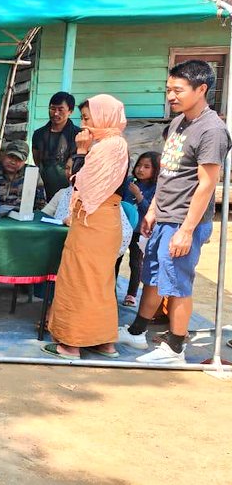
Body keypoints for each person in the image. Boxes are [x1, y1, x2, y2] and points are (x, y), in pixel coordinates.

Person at [119, 60, 230, 364]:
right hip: (164, 216)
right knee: (152, 277)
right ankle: (138, 331)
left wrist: (187, 229)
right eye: (168, 89)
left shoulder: (212, 130)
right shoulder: (177, 124)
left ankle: (175, 348)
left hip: (184, 221)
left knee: (177, 282)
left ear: (202, 89)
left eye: (177, 90)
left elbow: (207, 185)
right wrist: (153, 210)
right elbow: (167, 175)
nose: (170, 95)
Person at [43, 95, 129, 359]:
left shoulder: (107, 147)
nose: (84, 125)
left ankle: (71, 344)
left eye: (87, 118)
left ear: (104, 117)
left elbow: (80, 184)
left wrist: (81, 152)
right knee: (100, 283)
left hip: (93, 221)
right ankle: (104, 342)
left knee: (79, 280)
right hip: (105, 221)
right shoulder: (115, 145)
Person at [115, 152, 159, 307]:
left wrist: (139, 196)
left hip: (139, 231)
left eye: (146, 167)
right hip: (122, 227)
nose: (140, 170)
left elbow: (150, 210)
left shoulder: (156, 188)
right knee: (116, 259)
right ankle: (110, 289)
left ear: (156, 170)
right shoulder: (129, 182)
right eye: (139, 165)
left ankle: (131, 294)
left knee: (135, 262)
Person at [32, 91, 82, 199]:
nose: (55, 113)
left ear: (70, 111)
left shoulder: (79, 135)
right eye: (52, 109)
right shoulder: (38, 134)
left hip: (69, 190)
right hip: (44, 189)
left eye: (60, 109)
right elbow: (37, 160)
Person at [0, 140, 47, 211]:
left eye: (18, 159)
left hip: (22, 216)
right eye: (11, 157)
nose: (13, 162)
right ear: (4, 155)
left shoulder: (32, 173)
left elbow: (41, 204)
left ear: (24, 161)